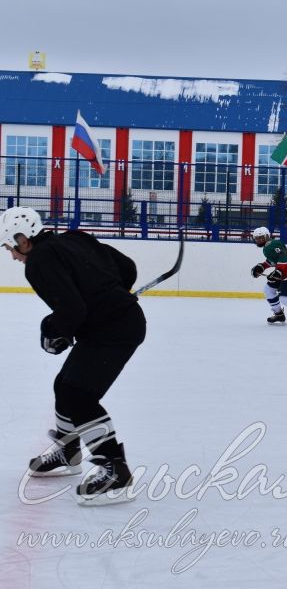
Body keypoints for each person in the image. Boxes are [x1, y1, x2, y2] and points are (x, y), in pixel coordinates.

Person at [0, 207, 144, 506]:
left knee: (78, 395)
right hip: (116, 323)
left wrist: (53, 334)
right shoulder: (74, 238)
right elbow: (126, 267)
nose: (12, 256)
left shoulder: (38, 261)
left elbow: (71, 310)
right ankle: (69, 452)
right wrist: (114, 293)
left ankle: (115, 471)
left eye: (10, 248)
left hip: (114, 330)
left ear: (23, 239)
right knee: (64, 385)